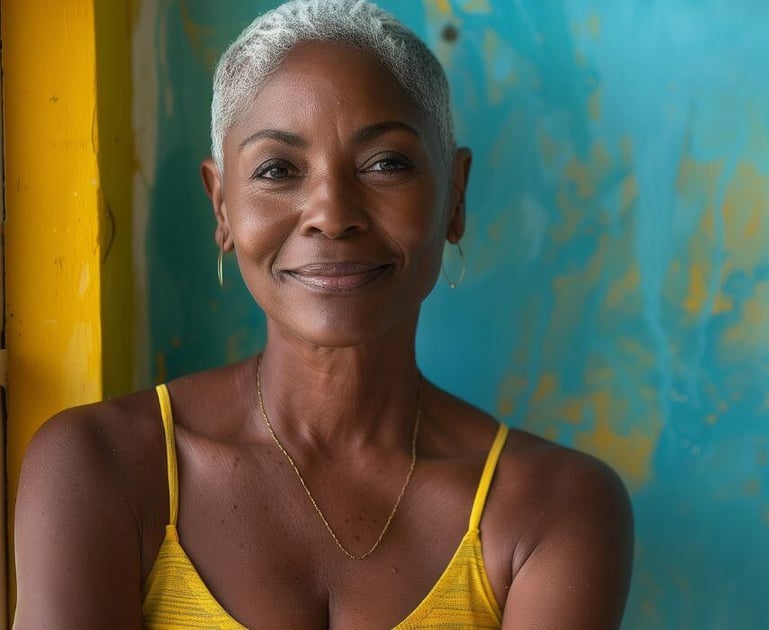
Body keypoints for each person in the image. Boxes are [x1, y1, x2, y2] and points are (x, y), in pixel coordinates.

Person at [12, 1, 634, 627]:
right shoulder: (101, 466)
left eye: (386, 163)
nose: (332, 214)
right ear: (222, 207)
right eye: (277, 169)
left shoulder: (549, 506)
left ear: (456, 196)